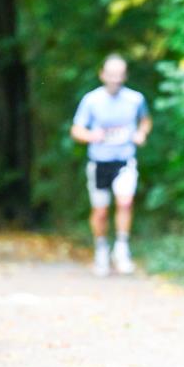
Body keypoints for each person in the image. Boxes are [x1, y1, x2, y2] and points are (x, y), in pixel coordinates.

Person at [69, 54, 152, 276]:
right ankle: (101, 250)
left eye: (119, 74)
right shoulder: (91, 100)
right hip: (99, 163)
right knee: (101, 211)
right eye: (111, 74)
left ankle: (122, 249)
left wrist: (141, 133)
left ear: (125, 76)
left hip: (125, 160)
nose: (115, 78)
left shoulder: (135, 99)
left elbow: (145, 120)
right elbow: (76, 130)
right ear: (102, 74)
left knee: (125, 202)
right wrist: (90, 135)